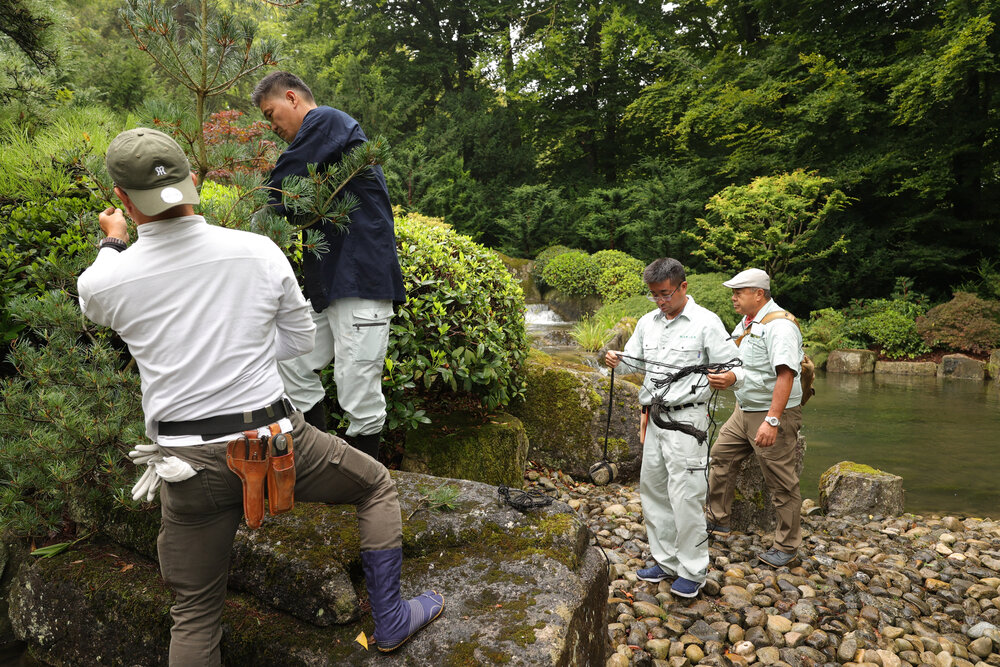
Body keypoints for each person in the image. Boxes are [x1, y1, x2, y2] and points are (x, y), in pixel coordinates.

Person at [77, 127, 442, 664]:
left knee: (196, 617)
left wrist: (111, 242)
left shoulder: (107, 281)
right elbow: (297, 342)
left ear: (123, 201)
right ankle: (389, 619)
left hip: (188, 465)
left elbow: (96, 291)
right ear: (194, 182)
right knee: (376, 485)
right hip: (278, 443)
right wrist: (240, 348)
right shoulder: (258, 252)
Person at [251, 71, 405, 460]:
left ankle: (365, 487)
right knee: (290, 361)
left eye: (272, 114)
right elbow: (291, 197)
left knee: (357, 389)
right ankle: (321, 462)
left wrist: (254, 214)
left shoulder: (327, 121)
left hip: (361, 283)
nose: (273, 127)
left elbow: (281, 187)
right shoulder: (323, 147)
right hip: (330, 286)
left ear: (292, 98)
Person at [604, 258, 740, 598]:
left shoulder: (707, 322)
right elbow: (631, 364)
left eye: (665, 294)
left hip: (690, 421)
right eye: (654, 295)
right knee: (653, 491)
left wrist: (730, 377)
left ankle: (693, 571)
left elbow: (739, 366)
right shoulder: (648, 323)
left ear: (682, 287)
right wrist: (615, 361)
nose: (660, 302)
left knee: (686, 496)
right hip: (654, 417)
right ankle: (665, 561)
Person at [706, 268, 805, 568]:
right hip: (744, 408)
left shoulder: (781, 327)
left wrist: (772, 421)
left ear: (759, 294)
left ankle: (787, 547)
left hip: (772, 411)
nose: (733, 297)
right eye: (733, 292)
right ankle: (718, 520)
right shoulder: (747, 322)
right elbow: (746, 365)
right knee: (720, 457)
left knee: (781, 481)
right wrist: (729, 375)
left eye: (739, 292)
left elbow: (785, 374)